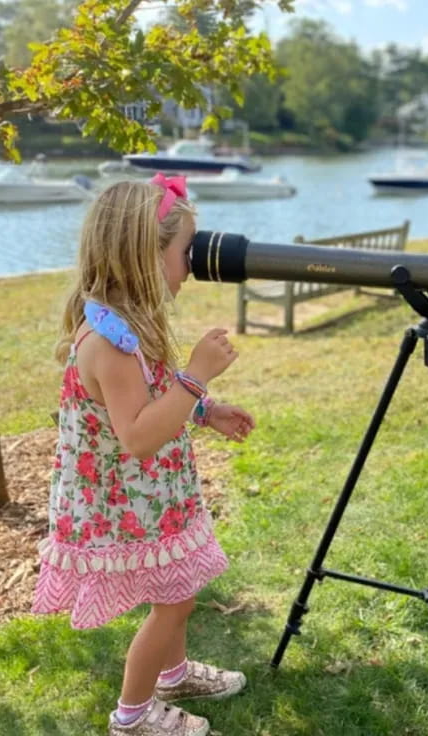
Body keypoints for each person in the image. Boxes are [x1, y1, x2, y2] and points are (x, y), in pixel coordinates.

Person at [32, 174, 256, 735]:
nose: (195, 265)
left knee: (176, 586)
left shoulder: (132, 324)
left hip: (154, 495)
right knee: (174, 602)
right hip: (126, 502)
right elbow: (134, 435)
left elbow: (156, 394)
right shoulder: (108, 340)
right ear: (143, 255)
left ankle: (173, 673)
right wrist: (199, 376)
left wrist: (206, 410)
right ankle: (133, 717)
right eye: (187, 253)